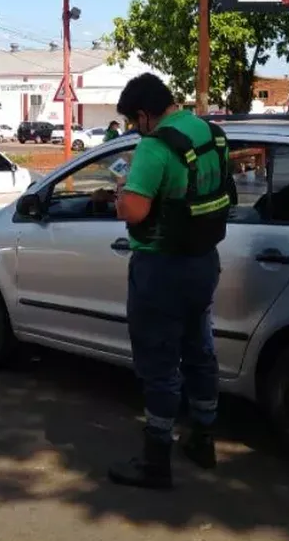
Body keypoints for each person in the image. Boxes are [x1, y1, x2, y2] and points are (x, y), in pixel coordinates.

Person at [97, 73, 235, 490]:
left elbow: (135, 213)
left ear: (144, 115)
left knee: (159, 364)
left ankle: (156, 459)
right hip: (203, 262)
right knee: (198, 352)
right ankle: (203, 439)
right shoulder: (209, 132)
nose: (135, 129)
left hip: (161, 268)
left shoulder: (155, 148)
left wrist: (121, 193)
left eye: (134, 121)